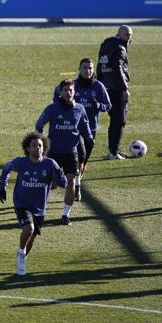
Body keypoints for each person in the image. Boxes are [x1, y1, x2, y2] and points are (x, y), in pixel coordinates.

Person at [0, 132, 67, 275]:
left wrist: (60, 175)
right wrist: (2, 188)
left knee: (32, 237)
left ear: (44, 148)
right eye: (34, 146)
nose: (38, 148)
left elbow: (64, 184)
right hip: (22, 204)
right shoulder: (20, 162)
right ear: (28, 148)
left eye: (40, 146)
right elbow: (6, 169)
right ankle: (21, 253)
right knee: (28, 228)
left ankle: (22, 256)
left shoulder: (50, 164)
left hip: (39, 208)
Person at [35, 79, 93, 225]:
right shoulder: (51, 109)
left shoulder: (79, 109)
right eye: (66, 90)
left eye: (71, 90)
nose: (68, 93)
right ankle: (39, 209)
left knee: (71, 182)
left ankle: (65, 215)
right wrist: (41, 144)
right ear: (60, 92)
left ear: (75, 92)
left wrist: (89, 139)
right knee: (51, 184)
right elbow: (39, 125)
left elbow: (86, 131)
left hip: (71, 152)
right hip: (53, 152)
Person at [53, 58, 111, 201]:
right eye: (85, 68)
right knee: (77, 158)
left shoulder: (98, 86)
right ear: (79, 69)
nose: (88, 70)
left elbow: (108, 105)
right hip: (73, 130)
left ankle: (78, 182)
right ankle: (74, 185)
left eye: (90, 68)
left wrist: (99, 106)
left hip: (90, 130)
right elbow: (56, 94)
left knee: (83, 162)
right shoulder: (72, 86)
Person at [97, 25, 132, 160]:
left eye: (130, 35)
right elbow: (118, 68)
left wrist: (99, 85)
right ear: (119, 34)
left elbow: (101, 65)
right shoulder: (120, 48)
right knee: (119, 120)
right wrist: (124, 89)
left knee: (115, 120)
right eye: (127, 35)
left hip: (106, 87)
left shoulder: (106, 44)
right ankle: (113, 152)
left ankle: (113, 150)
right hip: (116, 89)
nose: (129, 38)